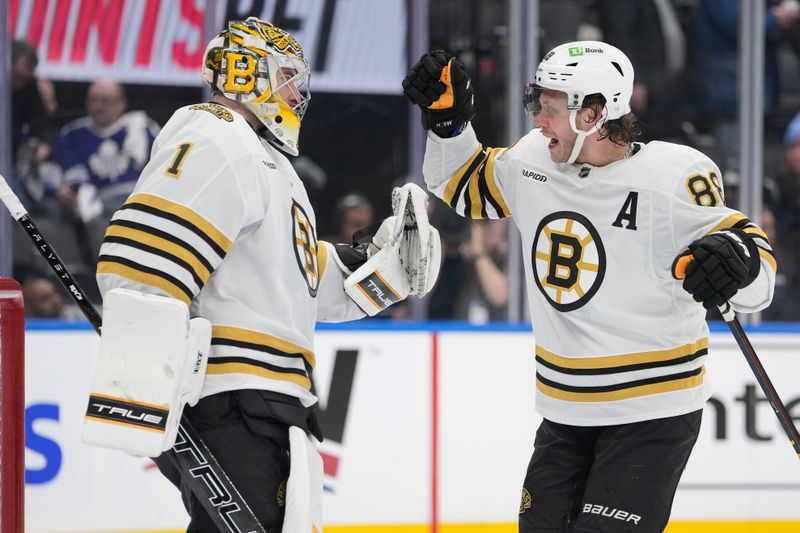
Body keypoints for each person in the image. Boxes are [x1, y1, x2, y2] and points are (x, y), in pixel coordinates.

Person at [404, 41, 776, 532]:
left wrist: (737, 263)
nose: (538, 120)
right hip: (564, 414)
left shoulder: (673, 179)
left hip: (652, 412)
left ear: (594, 115)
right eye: (538, 105)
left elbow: (758, 277)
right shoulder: (533, 159)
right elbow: (463, 183)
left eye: (551, 109)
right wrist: (449, 122)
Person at [89, 17, 439, 531]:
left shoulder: (266, 162)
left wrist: (377, 268)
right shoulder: (214, 133)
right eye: (288, 78)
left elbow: (293, 282)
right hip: (233, 400)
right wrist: (148, 381)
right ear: (247, 74)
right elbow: (138, 262)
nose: (298, 94)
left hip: (264, 402)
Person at [53, 80, 160, 223]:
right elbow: (73, 177)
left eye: (105, 101)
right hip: (97, 209)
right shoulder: (71, 134)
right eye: (93, 100)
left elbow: (162, 168)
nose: (98, 106)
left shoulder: (143, 129)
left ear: (121, 103)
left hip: (139, 202)